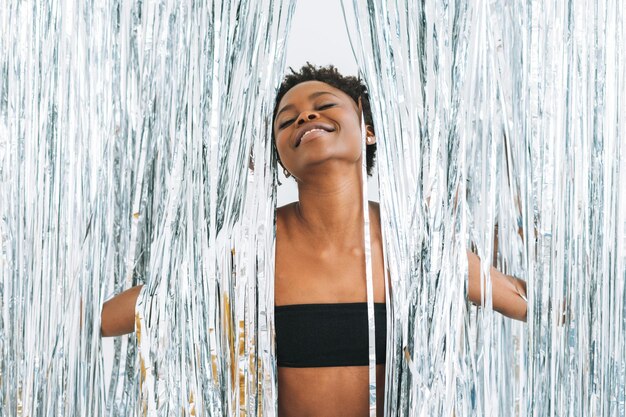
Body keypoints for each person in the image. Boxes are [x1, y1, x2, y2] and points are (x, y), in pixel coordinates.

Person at [101, 64, 528, 417]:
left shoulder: (416, 245)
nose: (304, 117)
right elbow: (140, 308)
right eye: (287, 120)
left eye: (323, 106)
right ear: (281, 161)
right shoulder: (253, 249)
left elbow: (530, 305)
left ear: (368, 130)